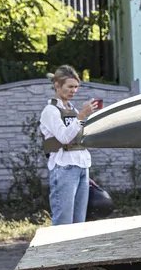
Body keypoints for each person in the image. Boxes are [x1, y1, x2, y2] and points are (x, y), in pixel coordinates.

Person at [40, 65, 99, 225]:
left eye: (76, 87)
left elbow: (78, 139)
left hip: (81, 167)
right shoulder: (50, 111)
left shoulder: (72, 109)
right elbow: (64, 137)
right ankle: (57, 251)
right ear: (57, 86)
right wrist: (81, 116)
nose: (74, 91)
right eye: (70, 86)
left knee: (79, 223)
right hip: (64, 168)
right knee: (63, 222)